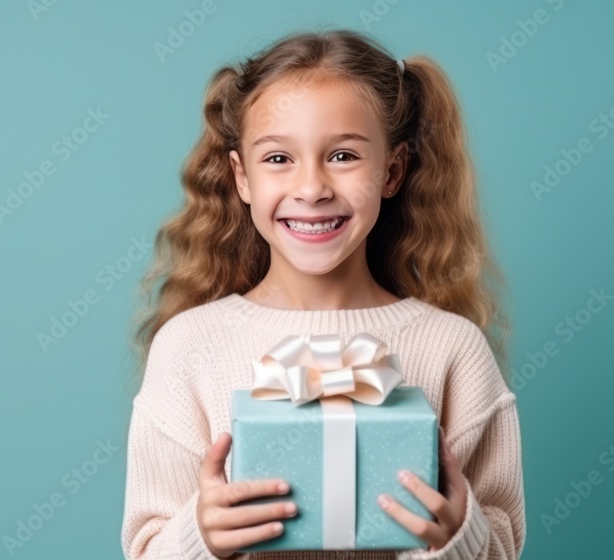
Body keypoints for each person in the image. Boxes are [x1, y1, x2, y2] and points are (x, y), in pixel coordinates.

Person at [121, 29, 525, 560]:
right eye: (278, 159)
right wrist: (201, 535)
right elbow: (146, 546)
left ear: (392, 170)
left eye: (342, 156)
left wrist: (457, 536)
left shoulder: (453, 349)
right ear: (241, 177)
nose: (312, 189)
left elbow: (503, 539)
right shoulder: (189, 347)